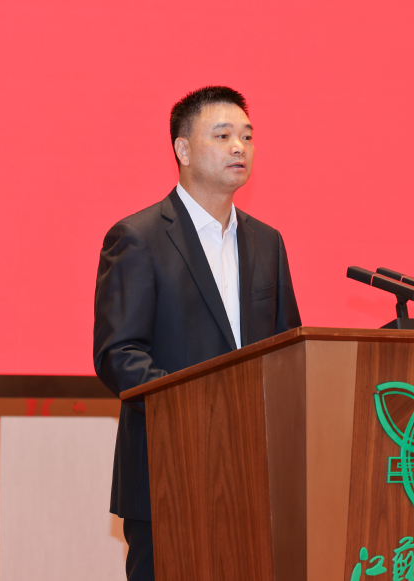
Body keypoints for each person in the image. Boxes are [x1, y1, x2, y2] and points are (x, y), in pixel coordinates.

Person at [93, 86, 302, 581]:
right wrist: (204, 411)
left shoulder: (267, 242)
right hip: (170, 471)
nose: (239, 147)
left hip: (256, 477)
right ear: (183, 150)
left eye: (247, 136)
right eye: (223, 135)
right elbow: (119, 353)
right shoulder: (138, 238)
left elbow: (288, 350)